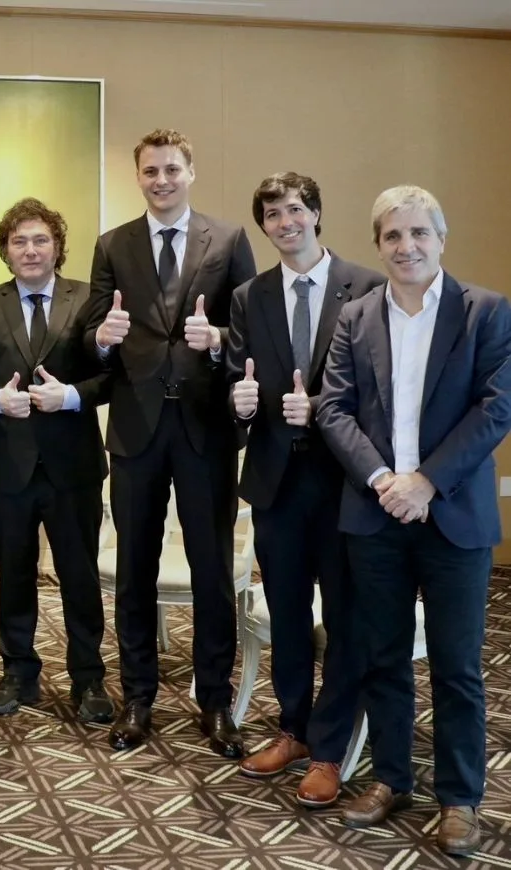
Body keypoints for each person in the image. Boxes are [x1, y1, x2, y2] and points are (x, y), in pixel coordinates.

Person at [318, 185, 511, 857]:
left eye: (419, 233)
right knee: (384, 657)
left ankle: (459, 798)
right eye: (393, 235)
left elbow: (496, 407)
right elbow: (333, 408)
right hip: (376, 516)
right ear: (379, 245)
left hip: (453, 516)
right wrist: (383, 482)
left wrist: (426, 481)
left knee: (457, 666)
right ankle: (392, 779)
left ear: (441, 239)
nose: (407, 247)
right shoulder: (356, 316)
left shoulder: (485, 310)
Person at [84, 128, 256, 757]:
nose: (161, 180)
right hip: (136, 428)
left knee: (212, 571)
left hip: (205, 428)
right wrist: (102, 338)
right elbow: (93, 336)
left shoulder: (229, 240)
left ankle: (214, 701)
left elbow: (251, 330)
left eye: (172, 169)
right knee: (135, 568)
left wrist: (221, 344)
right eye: (151, 171)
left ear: (191, 172)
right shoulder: (112, 244)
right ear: (138, 177)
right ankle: (138, 699)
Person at [224, 173, 384, 806]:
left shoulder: (365, 287)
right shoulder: (249, 296)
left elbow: (379, 389)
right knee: (287, 614)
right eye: (272, 214)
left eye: (295, 209)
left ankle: (329, 748)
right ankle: (292, 728)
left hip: (345, 484)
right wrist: (239, 402)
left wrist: (320, 409)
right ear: (263, 225)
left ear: (316, 213)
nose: (285, 222)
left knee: (344, 619)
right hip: (276, 483)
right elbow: (238, 378)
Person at [0, 197, 112, 722]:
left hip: (74, 468)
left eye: (40, 239)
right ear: (5, 250)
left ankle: (88, 679)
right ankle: (18, 673)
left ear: (57, 247)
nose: (29, 249)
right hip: (10, 468)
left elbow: (112, 376)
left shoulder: (88, 300)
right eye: (18, 241)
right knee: (16, 576)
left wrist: (71, 397)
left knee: (80, 578)